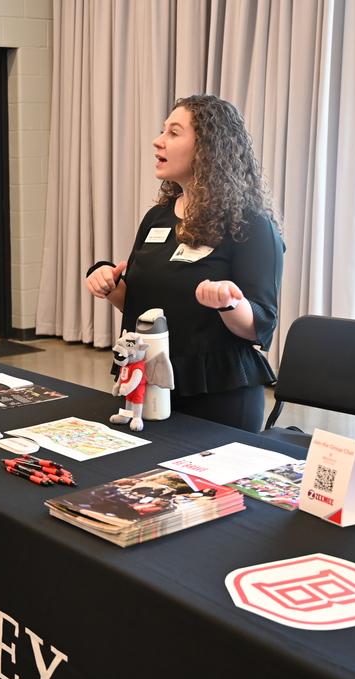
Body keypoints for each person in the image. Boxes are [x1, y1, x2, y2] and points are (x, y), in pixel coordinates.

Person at [85, 94, 284, 433]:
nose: (158, 141)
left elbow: (259, 325)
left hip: (218, 393)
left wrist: (228, 302)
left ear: (208, 148)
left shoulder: (250, 226)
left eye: (174, 133)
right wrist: (108, 282)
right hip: (147, 382)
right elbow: (136, 302)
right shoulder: (157, 217)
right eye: (163, 131)